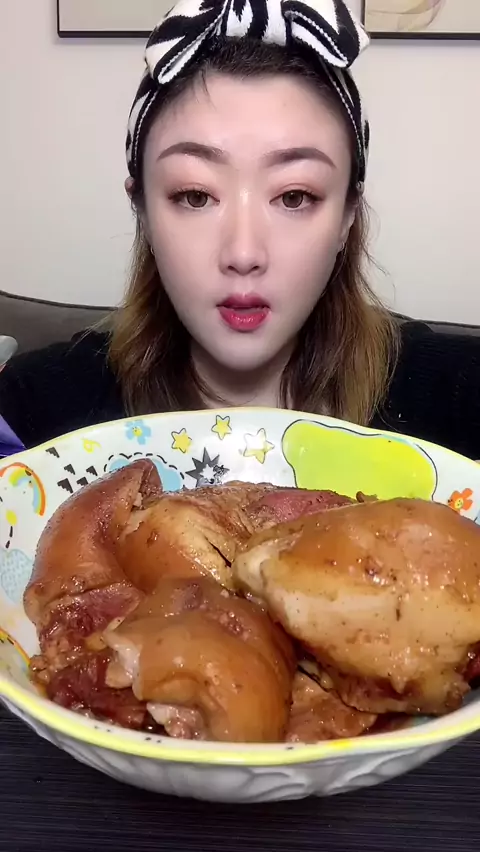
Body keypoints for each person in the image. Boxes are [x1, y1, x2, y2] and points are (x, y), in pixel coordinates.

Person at [1, 0, 479, 458]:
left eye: (294, 197)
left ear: (347, 216)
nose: (244, 252)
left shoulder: (455, 396)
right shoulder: (32, 412)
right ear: (141, 209)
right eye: (195, 195)